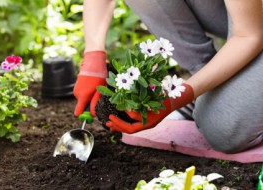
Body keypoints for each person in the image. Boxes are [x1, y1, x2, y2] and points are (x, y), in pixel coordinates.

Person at [73, 0, 263, 154]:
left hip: (250, 28)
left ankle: (211, 98)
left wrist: (177, 98)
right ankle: (209, 90)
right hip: (243, 12)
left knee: (223, 129)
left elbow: (248, 35)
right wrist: (93, 56)